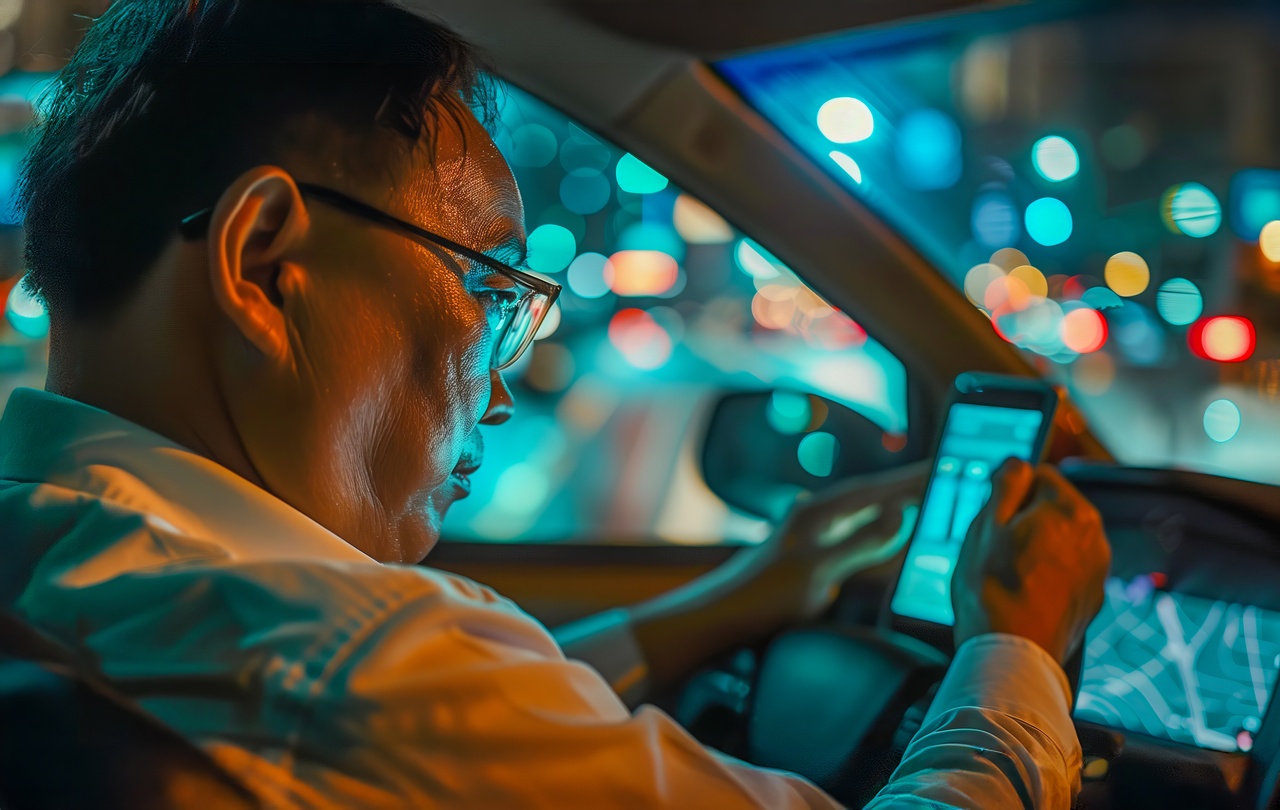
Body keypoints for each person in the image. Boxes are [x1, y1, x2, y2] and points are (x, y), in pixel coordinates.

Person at [0, 0, 1110, 807]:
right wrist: (1015, 646)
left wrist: (748, 593)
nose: (501, 376)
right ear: (261, 261)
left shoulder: (64, 552)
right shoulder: (349, 668)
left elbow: (476, 728)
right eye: (487, 284)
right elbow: (413, 703)